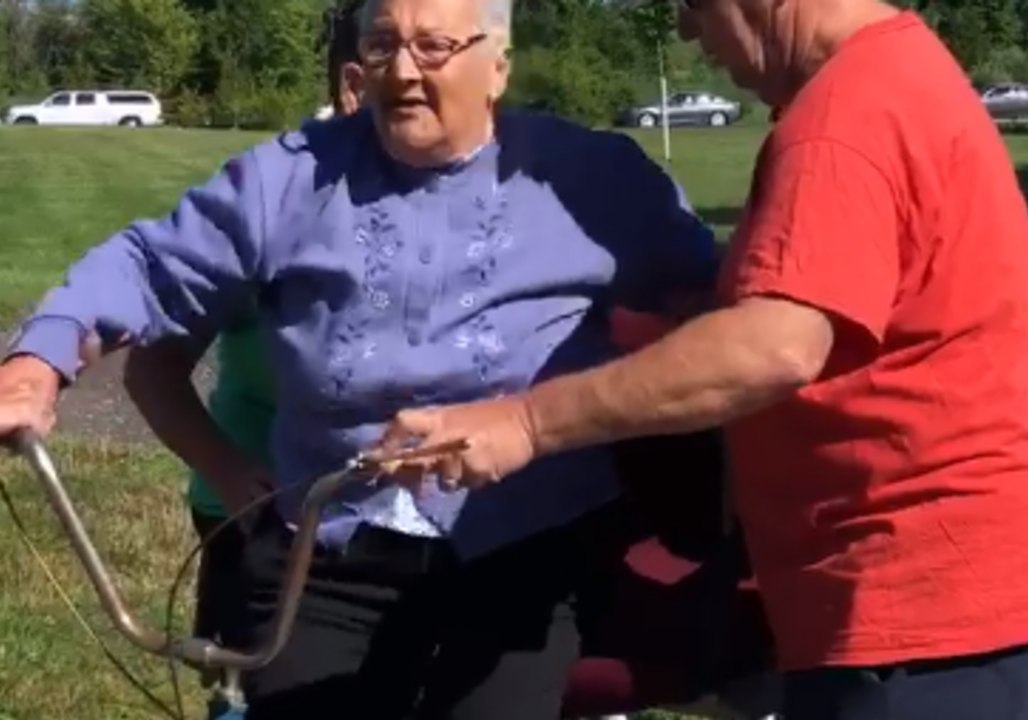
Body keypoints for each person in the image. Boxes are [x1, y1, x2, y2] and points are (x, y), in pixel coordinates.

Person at [0, 0, 718, 717]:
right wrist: (40, 358)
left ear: (497, 66)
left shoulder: (592, 177)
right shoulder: (291, 178)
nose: (403, 71)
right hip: (325, 549)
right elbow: (147, 262)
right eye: (383, 46)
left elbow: (721, 303)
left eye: (433, 47)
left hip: (524, 549)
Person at [368, 1, 1028, 719]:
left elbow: (774, 345)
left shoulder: (844, 119)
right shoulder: (899, 73)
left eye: (690, 2)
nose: (687, 29)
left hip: (921, 625)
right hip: (946, 611)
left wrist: (525, 421)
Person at [120, 2, 366, 711]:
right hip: (256, 511)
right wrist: (227, 471)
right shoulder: (267, 205)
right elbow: (151, 366)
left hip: (397, 530)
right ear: (355, 83)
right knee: (248, 696)